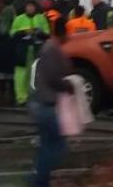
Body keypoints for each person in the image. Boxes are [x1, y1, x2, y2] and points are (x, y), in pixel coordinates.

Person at [29, 24, 76, 186]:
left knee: (47, 144)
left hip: (43, 103)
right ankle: (38, 179)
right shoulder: (51, 49)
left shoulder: (51, 48)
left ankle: (39, 179)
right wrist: (67, 86)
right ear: (61, 34)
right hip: (46, 104)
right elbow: (52, 77)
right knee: (57, 145)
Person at [11, 1, 51, 105]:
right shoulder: (19, 19)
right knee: (21, 75)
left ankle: (33, 96)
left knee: (35, 74)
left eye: (32, 7)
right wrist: (23, 32)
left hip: (36, 49)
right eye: (28, 6)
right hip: (22, 50)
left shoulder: (41, 18)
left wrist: (39, 32)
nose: (30, 8)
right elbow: (12, 34)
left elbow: (47, 33)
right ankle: (21, 98)